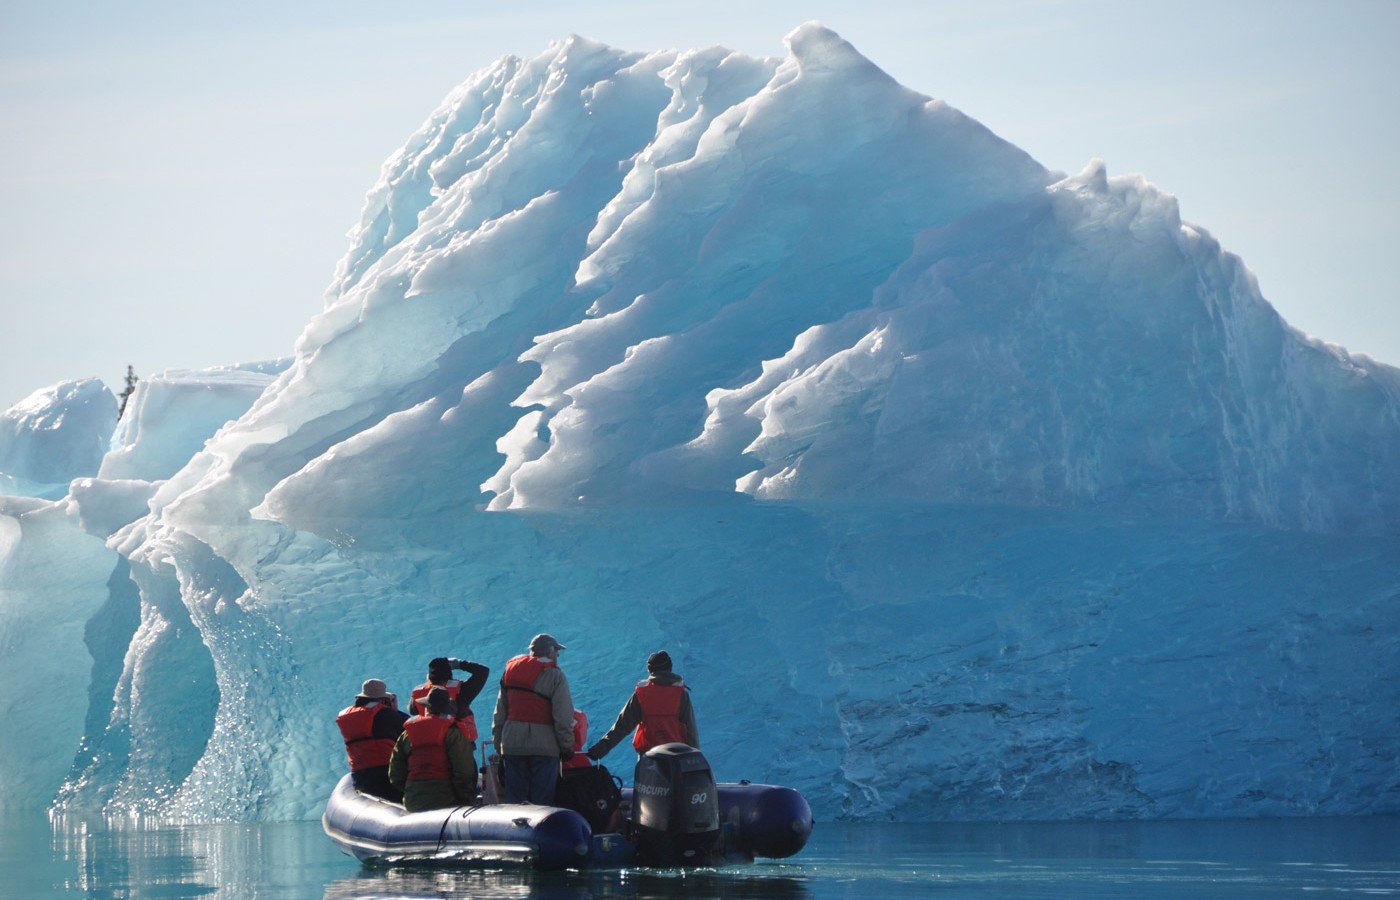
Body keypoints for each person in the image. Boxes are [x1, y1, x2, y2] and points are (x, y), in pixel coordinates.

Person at [491, 633, 574, 804]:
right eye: (556, 650)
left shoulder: (510, 672)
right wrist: (566, 747)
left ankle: (512, 830)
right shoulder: (555, 676)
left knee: (514, 801)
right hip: (544, 747)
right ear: (550, 650)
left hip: (512, 744)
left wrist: (499, 745)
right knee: (542, 803)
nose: (558, 655)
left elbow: (500, 713)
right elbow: (563, 717)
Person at [587, 651, 699, 761]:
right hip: (677, 757)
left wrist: (600, 750)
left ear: (650, 670)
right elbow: (691, 730)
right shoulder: (681, 694)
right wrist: (694, 760)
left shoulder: (642, 694)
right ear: (669, 667)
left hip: (649, 759)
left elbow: (622, 726)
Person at [388, 686, 479, 812]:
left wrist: (413, 789)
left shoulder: (407, 734)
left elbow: (395, 774)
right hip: (447, 801)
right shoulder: (453, 732)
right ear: (448, 709)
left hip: (413, 801)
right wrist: (467, 800)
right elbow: (464, 771)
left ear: (427, 707)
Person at [335, 678, 409, 801]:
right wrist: (394, 708)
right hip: (386, 773)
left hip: (359, 775)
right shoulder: (386, 715)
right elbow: (410, 726)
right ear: (381, 699)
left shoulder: (345, 716)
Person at [408, 656, 490, 748]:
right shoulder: (461, 691)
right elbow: (483, 671)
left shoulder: (417, 692)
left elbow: (412, 711)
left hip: (430, 742)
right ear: (449, 674)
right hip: (459, 743)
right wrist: (459, 664)